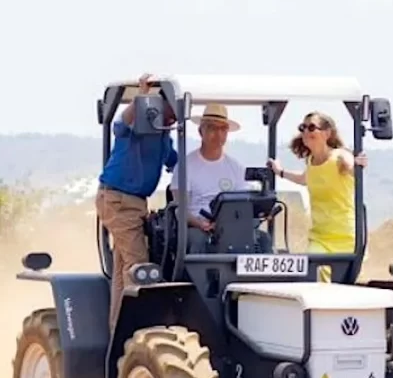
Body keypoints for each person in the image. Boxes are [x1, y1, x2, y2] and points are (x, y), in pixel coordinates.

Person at [95, 73, 178, 329]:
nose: (174, 118)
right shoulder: (137, 127)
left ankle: (119, 334)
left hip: (136, 204)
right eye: (171, 110)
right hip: (118, 200)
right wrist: (142, 97)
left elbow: (176, 163)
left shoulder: (164, 137)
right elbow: (120, 125)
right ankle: (138, 333)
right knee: (139, 267)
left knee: (124, 271)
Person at [267, 111, 367, 281]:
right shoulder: (310, 161)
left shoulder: (340, 156)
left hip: (347, 237)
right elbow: (304, 179)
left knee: (344, 286)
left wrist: (358, 164)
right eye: (303, 128)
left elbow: (352, 167)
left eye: (312, 127)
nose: (306, 131)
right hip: (320, 237)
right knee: (313, 275)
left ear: (327, 133)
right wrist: (280, 172)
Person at [169, 103, 271, 253]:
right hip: (198, 226)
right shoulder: (185, 166)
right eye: (212, 128)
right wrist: (200, 223)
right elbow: (181, 210)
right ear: (201, 131)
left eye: (223, 129)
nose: (218, 134)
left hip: (231, 226)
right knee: (197, 240)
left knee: (263, 239)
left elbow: (243, 204)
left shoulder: (236, 168)